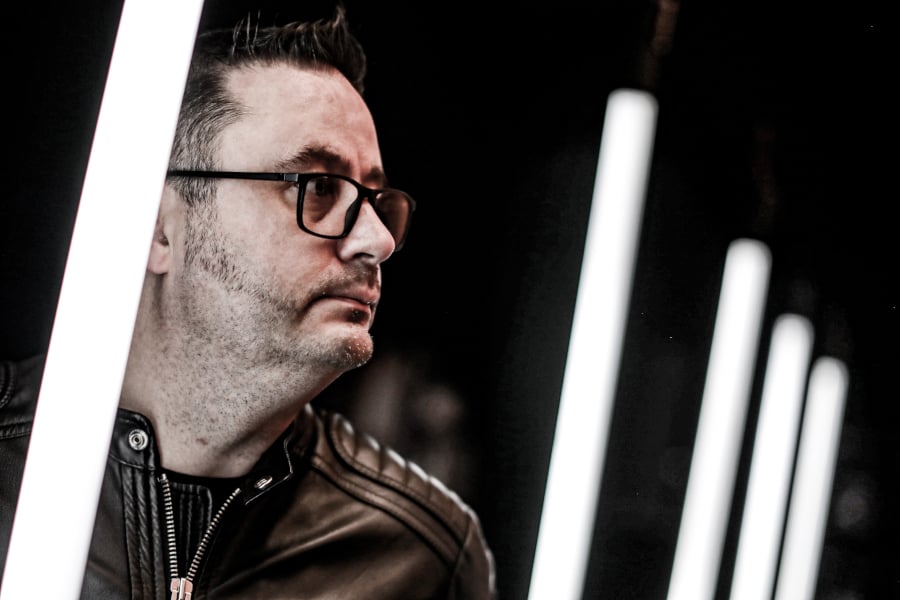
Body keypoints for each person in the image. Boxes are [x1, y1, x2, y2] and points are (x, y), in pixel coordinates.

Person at [0, 5, 496, 599]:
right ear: (158, 229)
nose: (378, 240)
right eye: (319, 187)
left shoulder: (420, 556)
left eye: (376, 200)